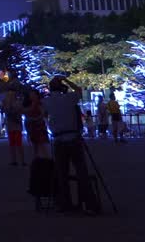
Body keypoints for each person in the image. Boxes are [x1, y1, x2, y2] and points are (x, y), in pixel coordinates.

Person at [46, 76, 100, 215]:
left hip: (58, 139)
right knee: (82, 171)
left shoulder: (47, 101)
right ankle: (89, 203)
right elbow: (79, 90)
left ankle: (65, 204)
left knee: (61, 173)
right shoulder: (69, 98)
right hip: (74, 137)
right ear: (63, 88)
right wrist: (66, 80)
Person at [23, 90, 50, 159]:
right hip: (31, 126)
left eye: (33, 94)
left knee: (42, 143)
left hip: (39, 125)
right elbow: (25, 112)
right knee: (34, 144)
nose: (32, 96)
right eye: (31, 95)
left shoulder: (40, 103)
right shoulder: (28, 104)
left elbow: (44, 113)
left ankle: (46, 158)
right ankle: (37, 159)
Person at [2, 88, 26, 166]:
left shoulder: (17, 103)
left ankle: (18, 160)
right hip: (12, 124)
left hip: (15, 124)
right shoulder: (9, 103)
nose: (10, 96)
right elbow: (5, 110)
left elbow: (20, 111)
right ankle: (16, 160)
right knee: (13, 143)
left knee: (17, 142)